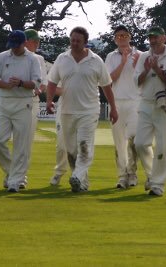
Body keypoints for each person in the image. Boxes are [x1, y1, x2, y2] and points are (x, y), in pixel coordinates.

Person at [45, 27, 119, 193]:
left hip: (89, 111)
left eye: (78, 41)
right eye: (72, 40)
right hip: (66, 111)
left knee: (84, 145)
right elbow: (52, 82)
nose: (74, 43)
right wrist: (49, 101)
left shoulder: (96, 60)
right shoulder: (62, 58)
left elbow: (107, 86)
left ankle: (77, 176)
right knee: (71, 150)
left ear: (86, 42)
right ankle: (82, 183)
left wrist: (113, 108)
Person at [0, 30, 43, 192]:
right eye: (11, 46)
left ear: (24, 43)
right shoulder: (2, 56)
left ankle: (14, 182)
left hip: (24, 103)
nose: (13, 49)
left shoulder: (32, 59)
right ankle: (13, 173)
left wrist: (20, 83)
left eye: (16, 46)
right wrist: (6, 85)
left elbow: (36, 83)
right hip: (4, 102)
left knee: (21, 145)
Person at [133, 26, 166, 197]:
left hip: (165, 104)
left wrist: (157, 69)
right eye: (150, 37)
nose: (152, 40)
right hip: (146, 102)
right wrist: (147, 69)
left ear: (164, 38)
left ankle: (158, 185)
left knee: (163, 145)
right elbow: (137, 81)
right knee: (140, 143)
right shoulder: (143, 57)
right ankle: (151, 175)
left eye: (156, 37)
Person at [24, 29, 65, 187]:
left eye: (38, 41)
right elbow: (50, 87)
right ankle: (12, 173)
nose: (37, 44)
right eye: (34, 41)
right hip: (12, 101)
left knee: (26, 142)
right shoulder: (7, 55)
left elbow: (43, 84)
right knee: (0, 140)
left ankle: (19, 176)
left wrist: (39, 90)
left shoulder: (38, 59)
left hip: (30, 102)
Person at [105, 25, 143, 189]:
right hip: (117, 102)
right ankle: (122, 176)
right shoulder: (110, 56)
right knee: (119, 142)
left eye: (124, 35)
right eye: (118, 36)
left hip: (135, 101)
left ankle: (132, 173)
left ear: (130, 37)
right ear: (115, 39)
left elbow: (143, 79)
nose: (121, 38)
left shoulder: (140, 55)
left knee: (133, 140)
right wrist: (123, 62)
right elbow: (109, 80)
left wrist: (134, 65)